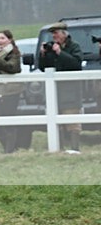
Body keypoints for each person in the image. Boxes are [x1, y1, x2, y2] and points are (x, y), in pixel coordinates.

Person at [39, 21, 83, 152]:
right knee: (55, 121)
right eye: (53, 34)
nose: (54, 36)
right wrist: (43, 55)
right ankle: (59, 149)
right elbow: (44, 68)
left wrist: (60, 53)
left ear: (64, 34)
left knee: (72, 122)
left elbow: (76, 64)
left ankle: (75, 149)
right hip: (55, 91)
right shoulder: (51, 47)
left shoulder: (74, 46)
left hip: (71, 91)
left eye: (56, 33)